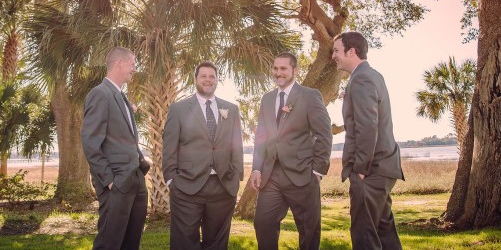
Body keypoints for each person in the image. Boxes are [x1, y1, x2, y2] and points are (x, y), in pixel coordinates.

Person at [250, 52, 332, 250]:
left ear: (295, 70)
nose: (279, 73)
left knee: (308, 230)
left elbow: (324, 133)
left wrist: (317, 171)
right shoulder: (267, 99)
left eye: (283, 69)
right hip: (271, 175)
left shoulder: (309, 95)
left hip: (303, 174)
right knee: (263, 224)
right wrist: (257, 168)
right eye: (275, 69)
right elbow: (261, 135)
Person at [333, 32, 404, 250]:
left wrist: (361, 169)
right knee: (383, 231)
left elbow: (367, 126)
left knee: (364, 238)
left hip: (371, 170)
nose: (333, 55)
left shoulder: (362, 78)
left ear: (351, 51)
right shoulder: (372, 75)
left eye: (336, 50)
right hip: (384, 167)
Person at [162, 61, 243, 250]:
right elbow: (169, 147)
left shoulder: (231, 109)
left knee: (217, 243)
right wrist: (171, 179)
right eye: (203, 76)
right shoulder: (178, 109)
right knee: (184, 242)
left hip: (223, 186)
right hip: (187, 186)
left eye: (212, 76)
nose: (208, 80)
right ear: (195, 79)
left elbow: (236, 145)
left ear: (217, 80)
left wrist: (236, 175)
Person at [81, 47, 150, 250]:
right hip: (117, 182)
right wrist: (109, 180)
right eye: (132, 63)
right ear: (118, 63)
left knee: (131, 242)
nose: (135, 68)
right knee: (109, 243)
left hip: (136, 177)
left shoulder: (120, 96)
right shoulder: (100, 94)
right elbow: (90, 142)